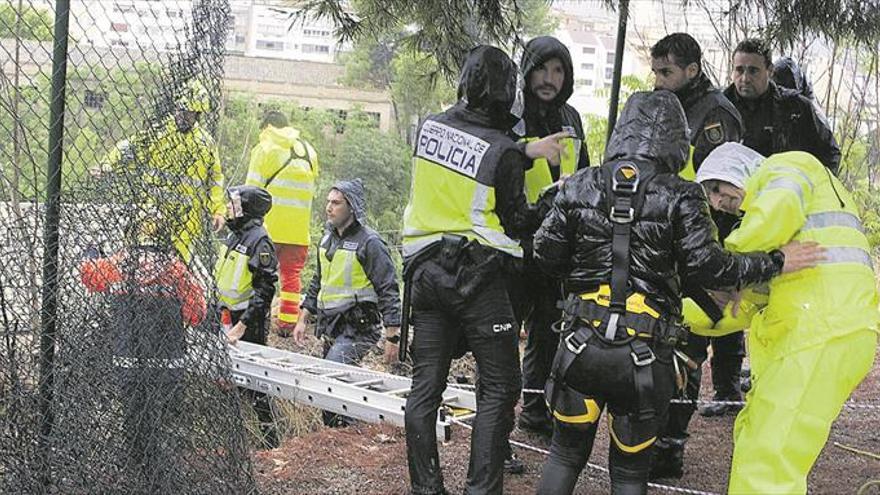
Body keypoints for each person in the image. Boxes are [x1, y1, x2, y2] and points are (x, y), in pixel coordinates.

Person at [532, 90, 822, 495]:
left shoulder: (581, 185)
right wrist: (774, 262)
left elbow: (544, 254)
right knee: (630, 474)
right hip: (644, 359)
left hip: (580, 349)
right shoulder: (682, 194)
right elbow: (710, 266)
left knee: (564, 455)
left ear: (621, 132)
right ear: (676, 139)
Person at [401, 45, 568, 495]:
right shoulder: (502, 152)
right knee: (499, 387)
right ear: (507, 91)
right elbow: (518, 222)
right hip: (479, 278)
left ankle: (427, 487)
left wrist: (524, 149)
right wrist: (554, 196)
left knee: (424, 388)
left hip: (425, 271)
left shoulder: (429, 128)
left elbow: (468, 157)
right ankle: (482, 489)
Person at [695, 142, 879, 494]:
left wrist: (722, 265)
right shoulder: (780, 242)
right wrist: (673, 313)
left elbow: (771, 217)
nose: (717, 202)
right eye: (711, 197)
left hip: (818, 334)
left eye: (718, 188)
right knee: (760, 440)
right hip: (819, 334)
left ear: (740, 168)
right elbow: (739, 304)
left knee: (768, 459)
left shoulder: (787, 167)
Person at [648, 32, 746, 476]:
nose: (659, 80)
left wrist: (710, 260)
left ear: (691, 70)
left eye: (666, 72)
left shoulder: (716, 116)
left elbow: (724, 193)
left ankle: (669, 446)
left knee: (685, 349)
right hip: (661, 243)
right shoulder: (659, 105)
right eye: (656, 71)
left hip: (698, 248)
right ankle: (647, 437)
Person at [80, 216, 206, 492]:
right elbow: (197, 313)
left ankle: (137, 479)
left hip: (130, 363)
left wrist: (90, 252)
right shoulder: (175, 268)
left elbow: (89, 277)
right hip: (168, 365)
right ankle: (167, 481)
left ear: (132, 236)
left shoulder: (120, 262)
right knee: (167, 426)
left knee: (134, 422)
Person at [509, 35, 591, 440]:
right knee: (506, 335)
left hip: (558, 245)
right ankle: (501, 419)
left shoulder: (572, 118)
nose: (549, 78)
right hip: (514, 242)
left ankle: (536, 410)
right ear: (527, 70)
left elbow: (586, 174)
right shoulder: (511, 117)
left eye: (558, 70)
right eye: (542, 68)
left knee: (549, 330)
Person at [293, 179, 401, 426]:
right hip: (331, 326)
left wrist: (393, 336)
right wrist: (303, 318)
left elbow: (389, 291)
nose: (329, 208)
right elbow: (317, 282)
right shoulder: (326, 240)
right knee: (331, 392)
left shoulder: (370, 243)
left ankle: (350, 435)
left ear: (352, 207)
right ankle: (342, 435)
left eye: (336, 203)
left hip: (359, 328)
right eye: (328, 202)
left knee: (329, 380)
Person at [93, 79, 226, 263]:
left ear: (197, 114)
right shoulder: (159, 132)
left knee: (176, 271)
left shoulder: (205, 144)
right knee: (142, 261)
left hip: (185, 224)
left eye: (188, 113)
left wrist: (218, 210)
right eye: (181, 110)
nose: (183, 116)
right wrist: (108, 164)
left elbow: (215, 180)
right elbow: (129, 148)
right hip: (152, 211)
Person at [215, 185, 279, 448]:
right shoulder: (235, 236)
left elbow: (265, 289)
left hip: (246, 322)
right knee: (229, 382)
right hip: (226, 318)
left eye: (233, 203)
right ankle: (236, 439)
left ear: (246, 207)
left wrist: (243, 326)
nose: (229, 207)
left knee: (254, 383)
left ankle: (270, 440)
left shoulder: (259, 241)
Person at [245, 110, 319, 335]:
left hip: (268, 230)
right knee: (291, 277)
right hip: (299, 231)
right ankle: (287, 326)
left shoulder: (265, 148)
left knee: (258, 277)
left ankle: (256, 321)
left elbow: (251, 191)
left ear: (266, 126)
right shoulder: (309, 151)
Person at [724, 39, 841, 174]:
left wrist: (815, 186)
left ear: (770, 71)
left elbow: (829, 153)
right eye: (739, 70)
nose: (745, 78)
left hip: (786, 191)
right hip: (732, 193)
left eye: (753, 71)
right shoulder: (720, 109)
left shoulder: (796, 108)